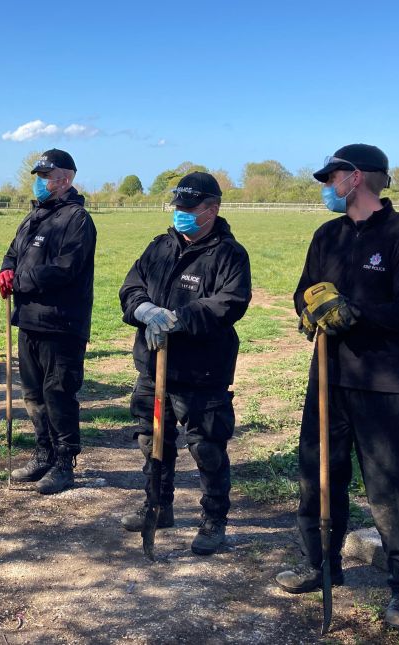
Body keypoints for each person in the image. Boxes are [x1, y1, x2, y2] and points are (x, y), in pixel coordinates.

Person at [274, 144, 399, 630]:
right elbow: (305, 291)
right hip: (328, 376)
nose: (327, 186)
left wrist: (353, 312)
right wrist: (309, 311)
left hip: (384, 383)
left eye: (333, 177)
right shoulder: (327, 235)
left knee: (393, 489)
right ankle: (319, 564)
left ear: (359, 177)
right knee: (317, 475)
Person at [118, 172, 252, 555]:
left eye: (190, 208)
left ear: (212, 209)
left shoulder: (228, 254)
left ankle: (214, 519)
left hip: (202, 369)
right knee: (152, 438)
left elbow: (230, 302)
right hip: (153, 364)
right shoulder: (160, 246)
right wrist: (143, 310)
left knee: (206, 445)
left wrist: (178, 319)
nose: (182, 214)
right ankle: (158, 506)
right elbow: (132, 285)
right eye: (178, 207)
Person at [0, 149, 97, 494]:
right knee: (34, 393)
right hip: (28, 320)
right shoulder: (33, 217)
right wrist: (6, 270)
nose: (41, 182)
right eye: (38, 176)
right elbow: (13, 252)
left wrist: (20, 280)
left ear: (65, 179)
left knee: (58, 393)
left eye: (46, 176)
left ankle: (64, 461)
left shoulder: (77, 219)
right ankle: (44, 451)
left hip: (61, 322)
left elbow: (66, 269)